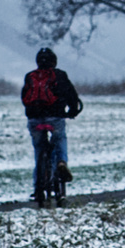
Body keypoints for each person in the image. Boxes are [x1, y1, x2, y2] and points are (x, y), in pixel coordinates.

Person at [21, 47, 82, 205]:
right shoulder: (60, 75)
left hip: (35, 120)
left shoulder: (30, 76)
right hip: (55, 118)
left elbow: (24, 98)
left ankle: (38, 186)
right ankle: (61, 162)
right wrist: (72, 110)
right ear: (54, 61)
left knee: (39, 149)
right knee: (60, 139)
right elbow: (71, 95)